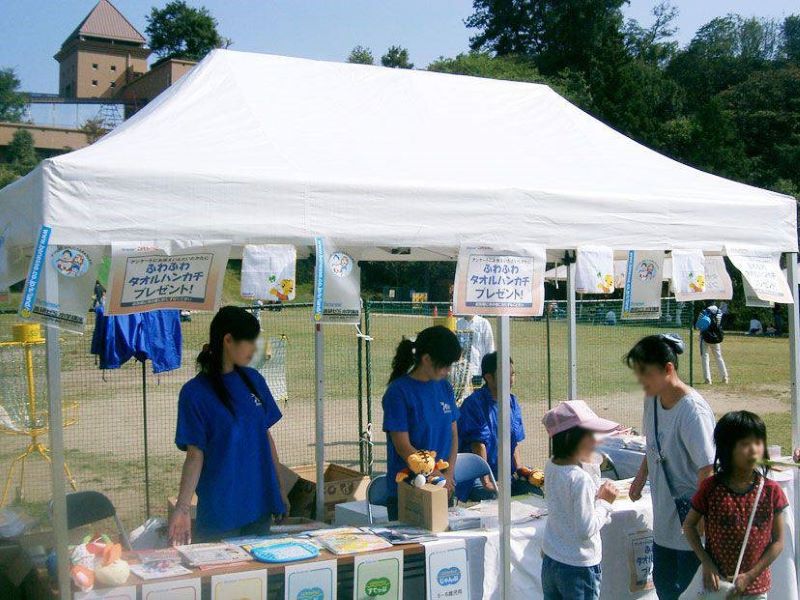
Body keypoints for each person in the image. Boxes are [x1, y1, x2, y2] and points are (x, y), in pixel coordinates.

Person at [168, 306, 288, 544]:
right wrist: (182, 509)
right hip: (221, 514)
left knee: (260, 578)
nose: (255, 348)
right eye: (250, 341)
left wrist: (280, 489)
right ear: (228, 340)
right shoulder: (194, 393)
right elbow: (194, 455)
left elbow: (265, 438)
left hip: (260, 505)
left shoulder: (254, 380)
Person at [626, 334, 716, 600]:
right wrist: (640, 478)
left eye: (645, 372)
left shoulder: (692, 411)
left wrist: (701, 519)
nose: (641, 380)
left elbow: (707, 471)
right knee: (664, 588)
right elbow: (654, 445)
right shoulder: (652, 399)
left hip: (690, 527)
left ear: (668, 368)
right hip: (664, 523)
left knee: (690, 592)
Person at [684, 411, 787, 598]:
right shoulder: (711, 488)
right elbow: (689, 526)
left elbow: (779, 541)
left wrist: (750, 575)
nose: (754, 450)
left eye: (758, 442)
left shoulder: (771, 492)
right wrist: (706, 563)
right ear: (727, 448)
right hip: (717, 587)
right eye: (745, 444)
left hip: (755, 588)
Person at [541, 401, 621, 600]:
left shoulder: (551, 465)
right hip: (578, 567)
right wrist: (604, 502)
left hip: (552, 560)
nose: (597, 443)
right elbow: (585, 529)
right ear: (571, 439)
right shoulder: (579, 479)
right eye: (591, 436)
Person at [382, 325, 462, 520]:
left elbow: (453, 434)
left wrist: (449, 474)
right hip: (409, 490)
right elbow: (402, 446)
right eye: (444, 365)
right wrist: (435, 475)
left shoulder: (444, 387)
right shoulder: (398, 392)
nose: (448, 371)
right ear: (426, 359)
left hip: (442, 486)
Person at [456, 352, 540, 501]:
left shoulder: (512, 402)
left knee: (536, 490)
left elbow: (514, 441)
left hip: (506, 474)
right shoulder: (474, 404)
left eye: (513, 374)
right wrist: (487, 482)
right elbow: (478, 446)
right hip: (476, 476)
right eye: (505, 374)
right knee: (495, 496)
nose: (511, 379)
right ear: (488, 377)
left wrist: (520, 469)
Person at [456, 314, 495, 384]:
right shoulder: (457, 323)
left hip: (476, 370)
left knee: (476, 393)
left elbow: (490, 346)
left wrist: (490, 367)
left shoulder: (483, 323)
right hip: (460, 370)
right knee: (461, 394)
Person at [696, 304, 729, 385]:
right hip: (715, 338)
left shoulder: (703, 312)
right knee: (719, 357)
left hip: (704, 337)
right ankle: (724, 377)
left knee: (705, 358)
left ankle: (708, 379)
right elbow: (718, 325)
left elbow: (698, 325)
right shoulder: (719, 312)